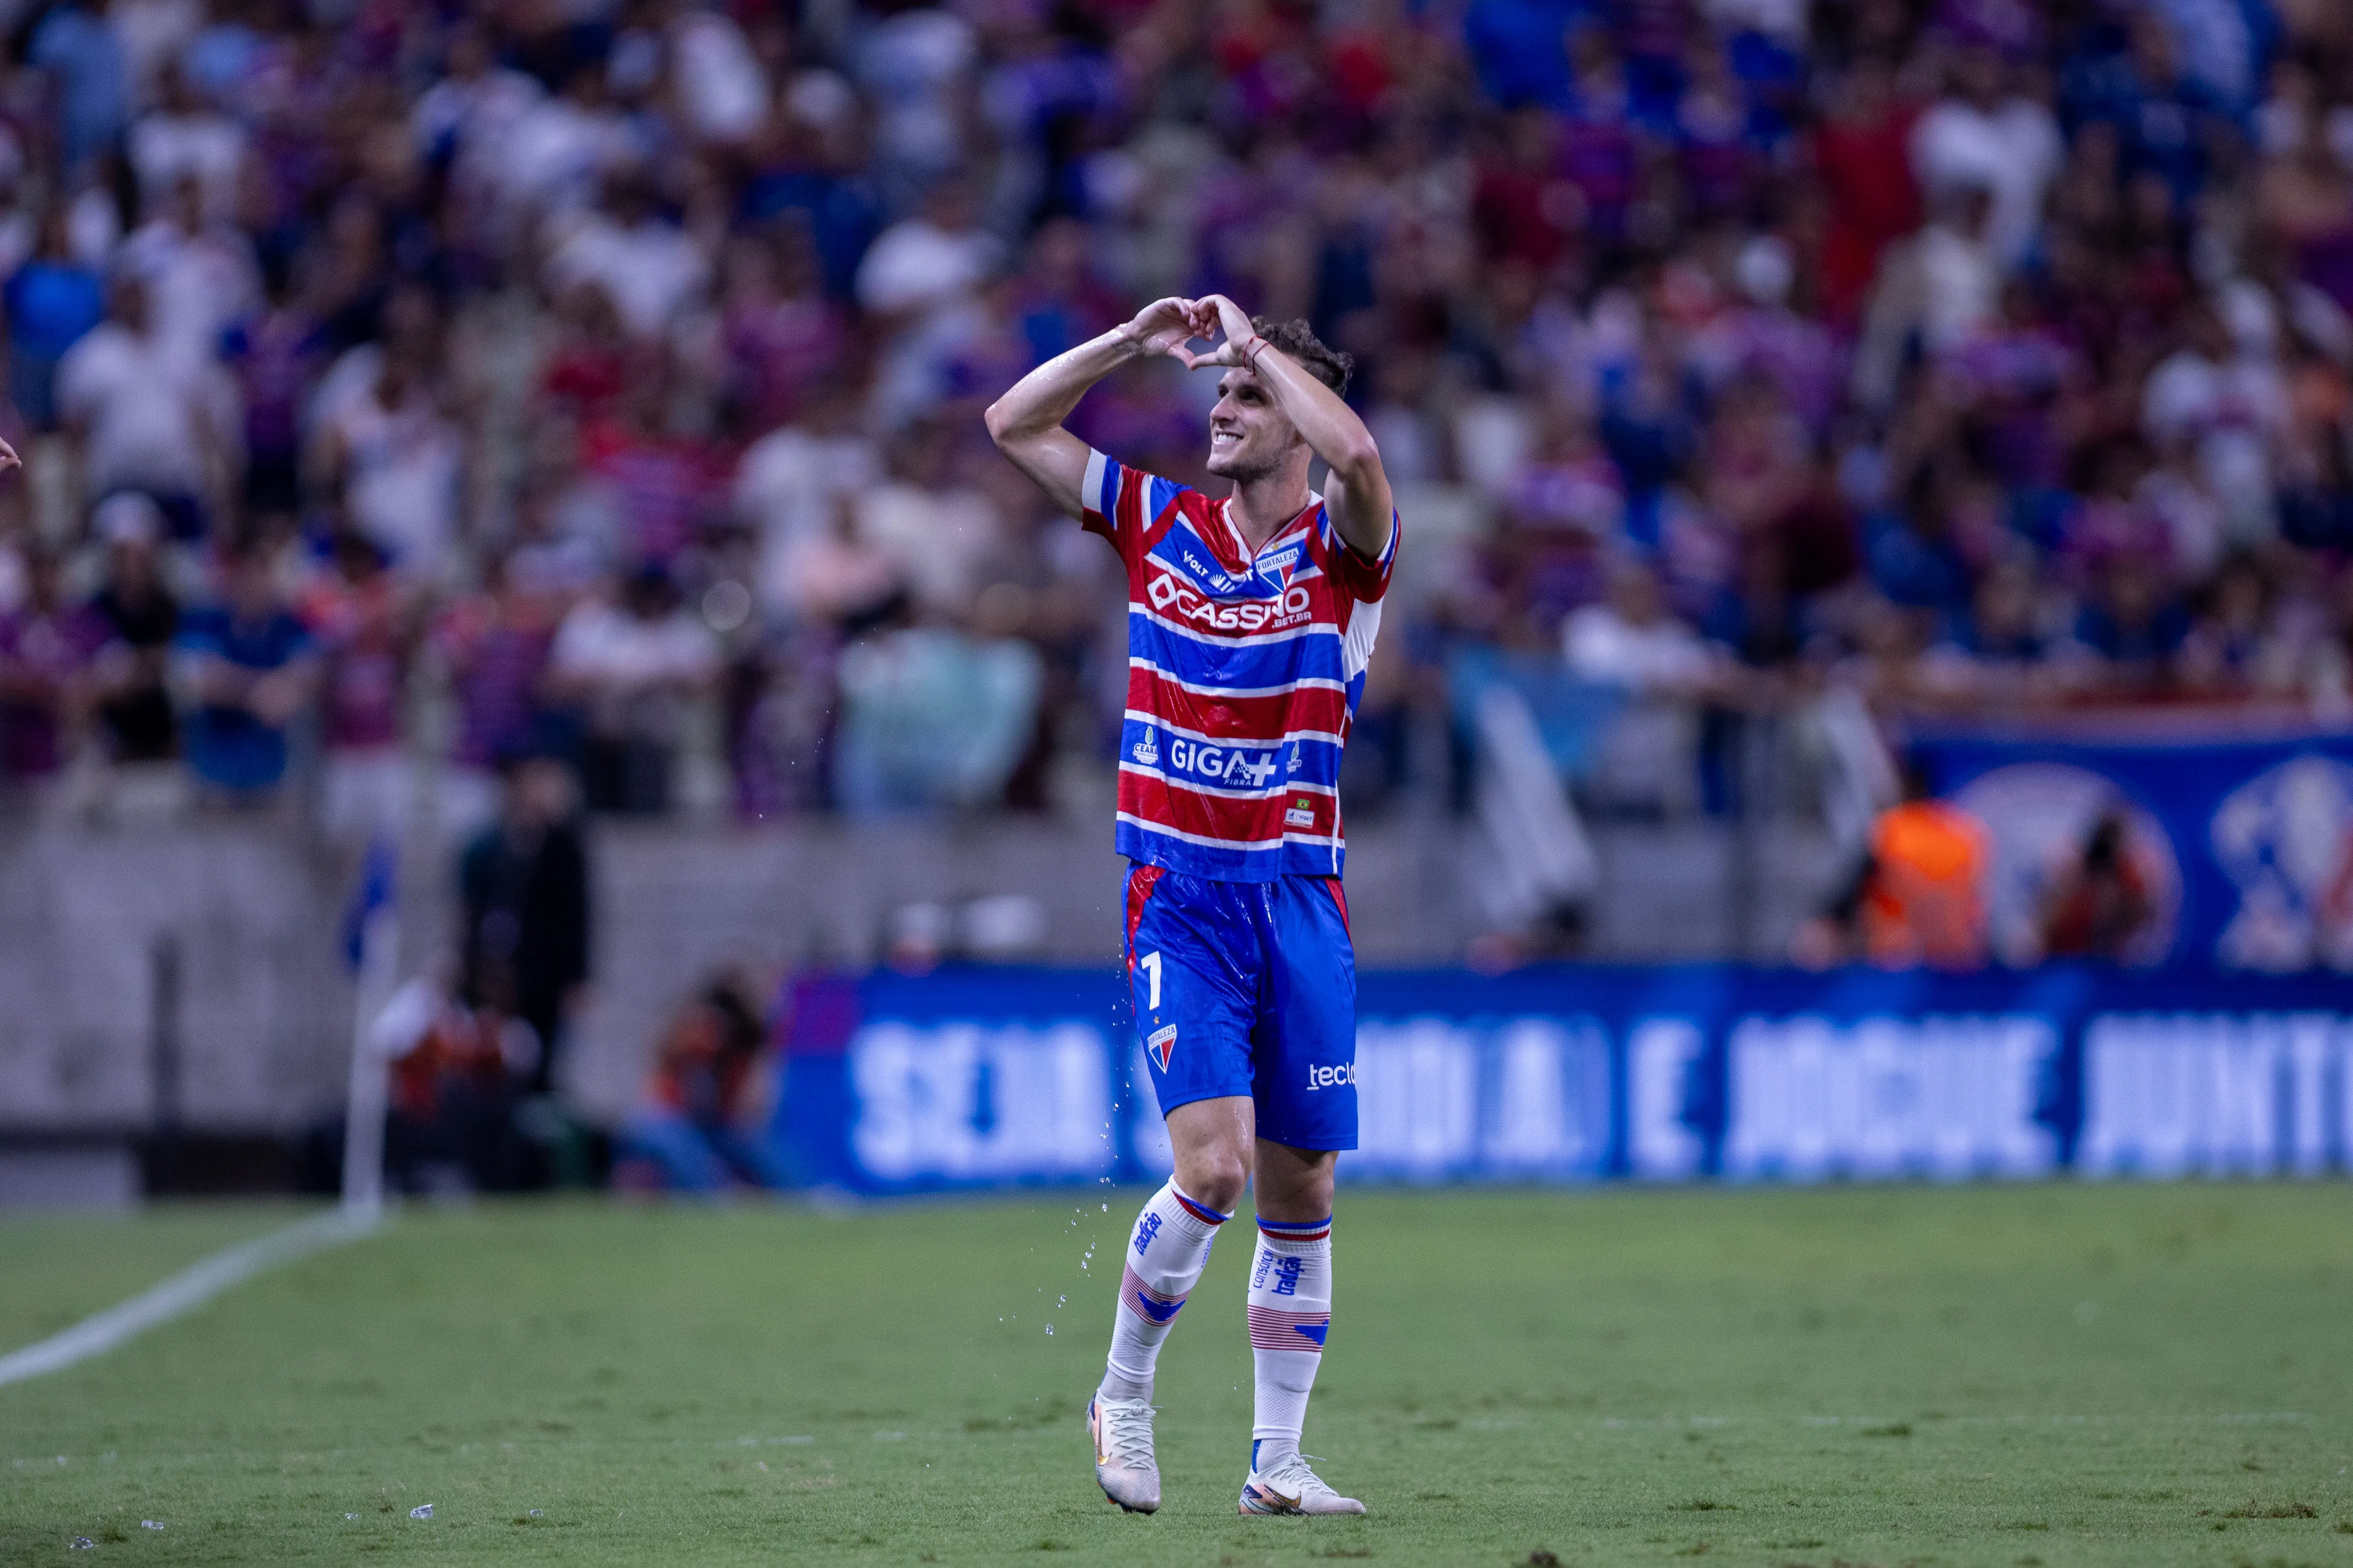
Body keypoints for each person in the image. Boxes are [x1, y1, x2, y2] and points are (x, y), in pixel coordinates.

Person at [984, 292, 1396, 1518]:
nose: (1221, 407)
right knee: (1209, 1166)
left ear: (1298, 422)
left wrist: (1261, 341)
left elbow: (1365, 455)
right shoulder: (1153, 520)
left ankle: (1275, 1461)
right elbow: (1013, 421)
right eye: (1217, 393)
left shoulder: (1342, 552)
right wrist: (1129, 341)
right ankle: (1120, 1389)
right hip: (1180, 894)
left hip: (1299, 895)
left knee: (1301, 1187)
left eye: (1247, 396)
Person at [457, 752, 590, 1097]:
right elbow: (472, 906)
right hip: (494, 970)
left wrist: (579, 978)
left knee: (543, 1063)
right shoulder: (490, 843)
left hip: (544, 971)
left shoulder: (564, 847)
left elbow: (577, 915)